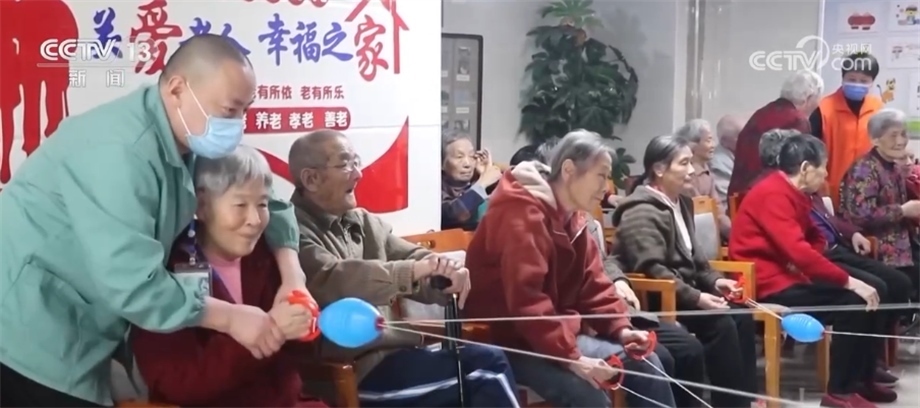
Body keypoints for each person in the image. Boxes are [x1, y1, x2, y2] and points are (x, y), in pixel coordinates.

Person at [0, 34, 312, 407]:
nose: (238, 125)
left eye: (245, 110)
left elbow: (271, 201)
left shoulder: (189, 132)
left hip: (83, 324)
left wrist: (293, 279)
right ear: (178, 89)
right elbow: (134, 285)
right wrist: (231, 319)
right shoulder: (120, 152)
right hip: (29, 322)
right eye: (230, 110)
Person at [289, 130, 519, 407]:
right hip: (354, 375)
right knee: (486, 371)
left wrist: (445, 272)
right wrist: (414, 270)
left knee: (486, 362)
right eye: (345, 164)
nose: (358, 174)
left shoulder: (362, 221)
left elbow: (412, 255)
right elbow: (336, 277)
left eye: (356, 162)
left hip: (399, 357)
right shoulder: (293, 232)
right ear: (311, 179)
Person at [464, 130, 676, 408]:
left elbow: (594, 283)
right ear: (568, 170)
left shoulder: (572, 216)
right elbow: (528, 303)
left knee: (647, 363)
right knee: (588, 394)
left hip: (553, 336)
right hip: (509, 341)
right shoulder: (520, 213)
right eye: (600, 176)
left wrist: (622, 329)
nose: (606, 187)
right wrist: (574, 358)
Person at [131, 146, 326, 407]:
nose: (254, 219)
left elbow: (303, 355)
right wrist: (271, 331)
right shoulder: (165, 273)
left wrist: (305, 324)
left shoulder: (269, 257)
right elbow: (177, 382)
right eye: (240, 205)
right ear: (201, 205)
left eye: (262, 204)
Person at [730, 134, 896, 408]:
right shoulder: (772, 193)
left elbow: (814, 238)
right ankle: (839, 392)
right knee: (854, 301)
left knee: (875, 288)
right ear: (805, 168)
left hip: (791, 274)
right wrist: (848, 281)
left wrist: (804, 259)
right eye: (823, 167)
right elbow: (797, 250)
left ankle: (861, 379)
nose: (827, 174)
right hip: (767, 282)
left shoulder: (797, 193)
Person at [612, 135, 758, 408]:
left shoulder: (683, 203)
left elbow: (697, 262)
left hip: (684, 289)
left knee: (741, 315)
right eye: (684, 163)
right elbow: (653, 270)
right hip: (658, 296)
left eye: (691, 162)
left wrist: (716, 282)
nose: (692, 170)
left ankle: (742, 401)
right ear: (659, 169)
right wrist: (698, 298)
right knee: (721, 324)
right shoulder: (640, 210)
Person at [839, 108, 920, 296]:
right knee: (906, 282)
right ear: (875, 140)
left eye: (903, 134)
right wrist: (903, 210)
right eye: (893, 135)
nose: (900, 141)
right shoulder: (864, 170)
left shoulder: (893, 166)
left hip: (904, 244)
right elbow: (860, 216)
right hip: (879, 249)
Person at [728, 69, 822, 197]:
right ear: (808, 98)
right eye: (817, 99)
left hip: (741, 195)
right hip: (768, 197)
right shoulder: (797, 121)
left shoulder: (761, 113)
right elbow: (799, 174)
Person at [810, 53, 884, 208]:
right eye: (852, 79)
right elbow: (811, 153)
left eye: (863, 81)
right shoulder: (823, 108)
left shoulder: (877, 108)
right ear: (843, 78)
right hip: (831, 191)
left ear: (872, 82)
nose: (857, 84)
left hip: (869, 190)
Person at [674, 119, 731, 238]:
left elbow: (717, 208)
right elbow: (701, 210)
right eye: (708, 140)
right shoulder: (687, 176)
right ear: (693, 145)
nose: (713, 145)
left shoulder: (706, 171)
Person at [441, 130, 502, 230]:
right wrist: (482, 183)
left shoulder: (476, 182)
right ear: (441, 163)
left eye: (471, 156)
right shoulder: (435, 191)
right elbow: (455, 214)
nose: (468, 164)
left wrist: (485, 173)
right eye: (459, 157)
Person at [710, 114, 744, 209]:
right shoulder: (718, 163)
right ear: (724, 141)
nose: (745, 139)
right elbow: (727, 199)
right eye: (740, 136)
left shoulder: (740, 154)